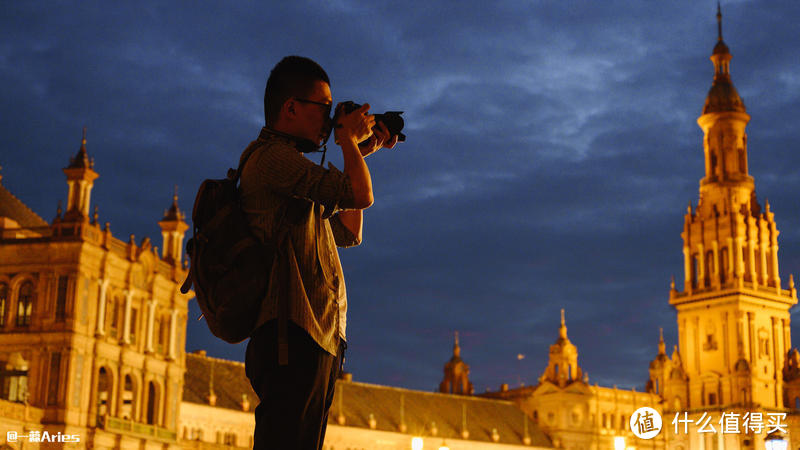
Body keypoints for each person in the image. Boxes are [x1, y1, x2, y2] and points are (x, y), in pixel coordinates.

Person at [240, 55, 397, 449]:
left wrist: (359, 149)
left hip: (315, 332)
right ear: (290, 108)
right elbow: (361, 195)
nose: (328, 122)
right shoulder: (272, 159)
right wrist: (346, 142)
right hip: (290, 332)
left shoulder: (293, 170)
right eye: (324, 108)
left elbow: (347, 230)